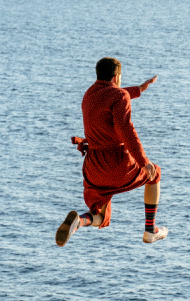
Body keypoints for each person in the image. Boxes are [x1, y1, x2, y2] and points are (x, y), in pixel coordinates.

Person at [56, 57, 166, 246]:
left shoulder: (89, 94)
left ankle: (79, 221)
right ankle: (150, 230)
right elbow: (127, 132)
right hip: (117, 164)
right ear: (116, 77)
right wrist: (143, 161)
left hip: (93, 168)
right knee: (154, 174)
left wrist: (138, 90)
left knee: (100, 214)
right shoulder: (119, 96)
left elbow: (109, 98)